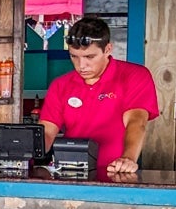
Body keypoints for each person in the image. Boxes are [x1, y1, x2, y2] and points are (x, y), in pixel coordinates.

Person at [38, 16, 158, 176]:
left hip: (116, 172)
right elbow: (46, 132)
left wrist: (128, 158)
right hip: (70, 174)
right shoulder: (60, 85)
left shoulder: (134, 76)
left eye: (89, 57)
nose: (81, 65)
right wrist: (23, 155)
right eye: (74, 56)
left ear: (108, 49)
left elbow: (136, 121)